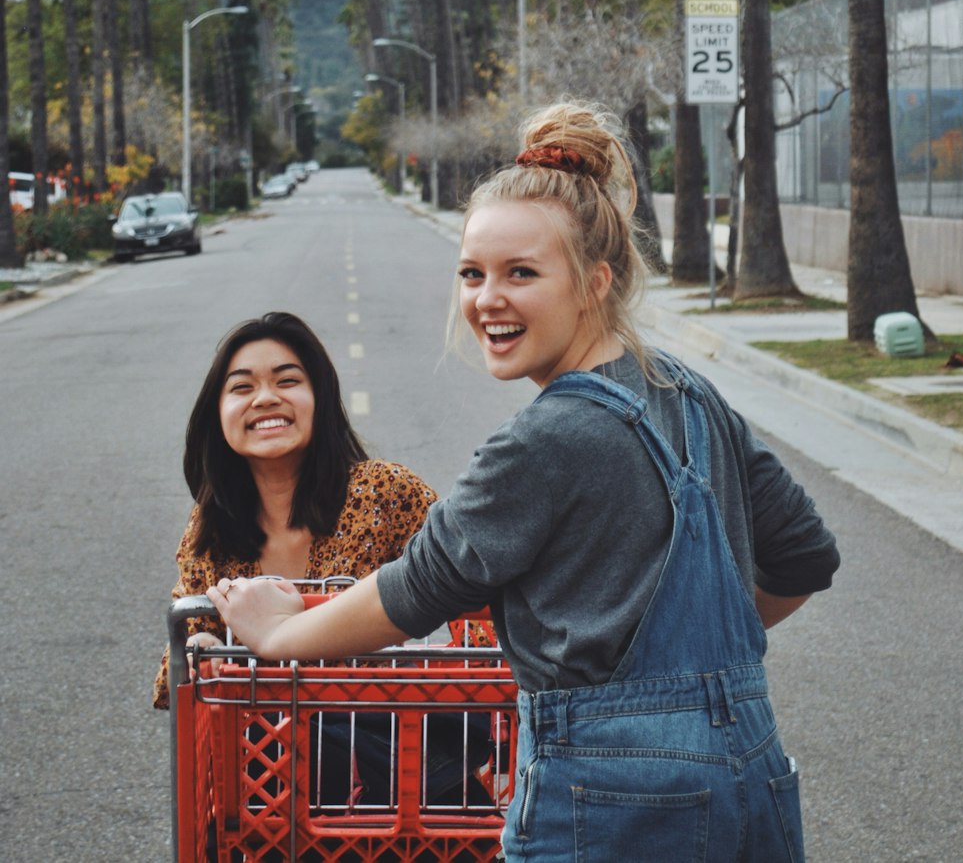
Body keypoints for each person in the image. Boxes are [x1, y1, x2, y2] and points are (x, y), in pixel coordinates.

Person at [207, 105, 841, 862]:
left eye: (521, 274)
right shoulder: (691, 395)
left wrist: (279, 635)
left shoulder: (544, 439)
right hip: (753, 777)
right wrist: (691, 687)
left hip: (611, 799)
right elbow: (804, 557)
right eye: (473, 273)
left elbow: (414, 591)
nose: (486, 300)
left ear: (596, 282)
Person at [153, 310, 437, 709]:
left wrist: (498, 702)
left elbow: (475, 572)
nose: (266, 397)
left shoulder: (384, 491)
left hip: (378, 744)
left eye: (287, 381)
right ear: (217, 416)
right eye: (241, 387)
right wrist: (201, 649)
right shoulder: (212, 522)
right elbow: (190, 633)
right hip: (259, 756)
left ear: (319, 400)